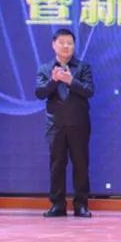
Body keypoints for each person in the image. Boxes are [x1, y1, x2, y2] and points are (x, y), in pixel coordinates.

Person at [34, 28, 95, 218]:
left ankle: (81, 205)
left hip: (79, 123)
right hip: (56, 125)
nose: (66, 46)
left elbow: (89, 91)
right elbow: (40, 93)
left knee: (81, 164)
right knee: (57, 164)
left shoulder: (83, 67)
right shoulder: (45, 68)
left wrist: (71, 81)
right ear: (54, 45)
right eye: (62, 42)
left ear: (74, 46)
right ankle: (57, 205)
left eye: (70, 43)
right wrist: (53, 80)